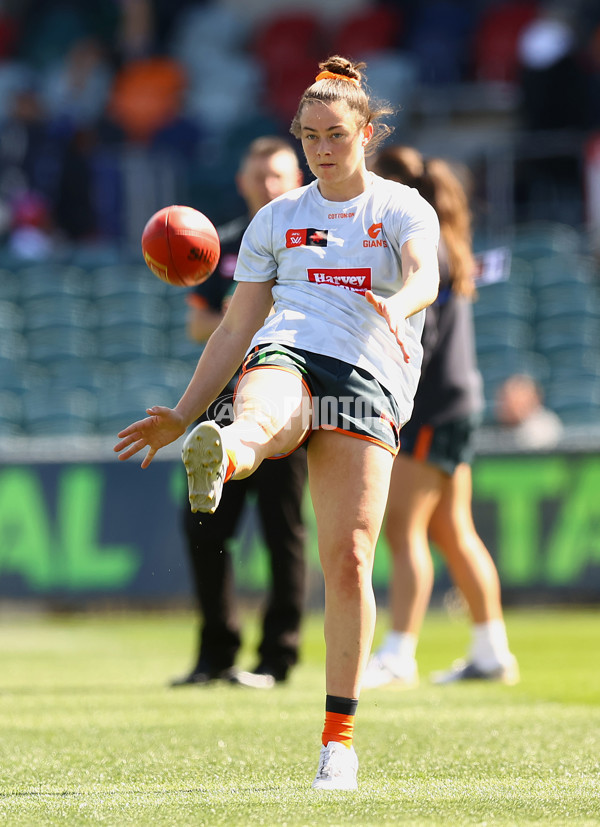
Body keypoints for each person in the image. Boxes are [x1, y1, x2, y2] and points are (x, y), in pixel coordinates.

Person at [114, 55, 440, 791]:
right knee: (262, 413)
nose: (322, 148)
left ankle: (339, 742)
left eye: (335, 134)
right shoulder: (277, 219)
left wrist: (404, 300)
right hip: (289, 346)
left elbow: (427, 271)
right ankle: (224, 449)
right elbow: (234, 330)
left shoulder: (399, 207)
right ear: (298, 138)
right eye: (310, 136)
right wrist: (186, 413)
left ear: (365, 132)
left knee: (350, 557)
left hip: (370, 374)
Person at [362, 146, 520, 690]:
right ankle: (491, 650)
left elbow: (410, 337)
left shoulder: (418, 248)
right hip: (458, 401)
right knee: (454, 531)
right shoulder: (446, 244)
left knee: (405, 532)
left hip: (432, 405)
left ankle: (399, 652)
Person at [172, 136, 308, 690]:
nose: (267, 184)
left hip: (286, 403)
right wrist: (237, 317)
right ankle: (215, 653)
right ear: (242, 182)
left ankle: (277, 657)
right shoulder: (219, 243)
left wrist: (249, 315)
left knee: (284, 532)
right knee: (203, 524)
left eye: (276, 175)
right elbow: (199, 325)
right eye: (258, 176)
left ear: (295, 179)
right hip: (226, 404)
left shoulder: (309, 242)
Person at [494, 373, 563, 450]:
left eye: (518, 401)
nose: (509, 405)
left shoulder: (544, 426)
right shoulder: (495, 428)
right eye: (505, 399)